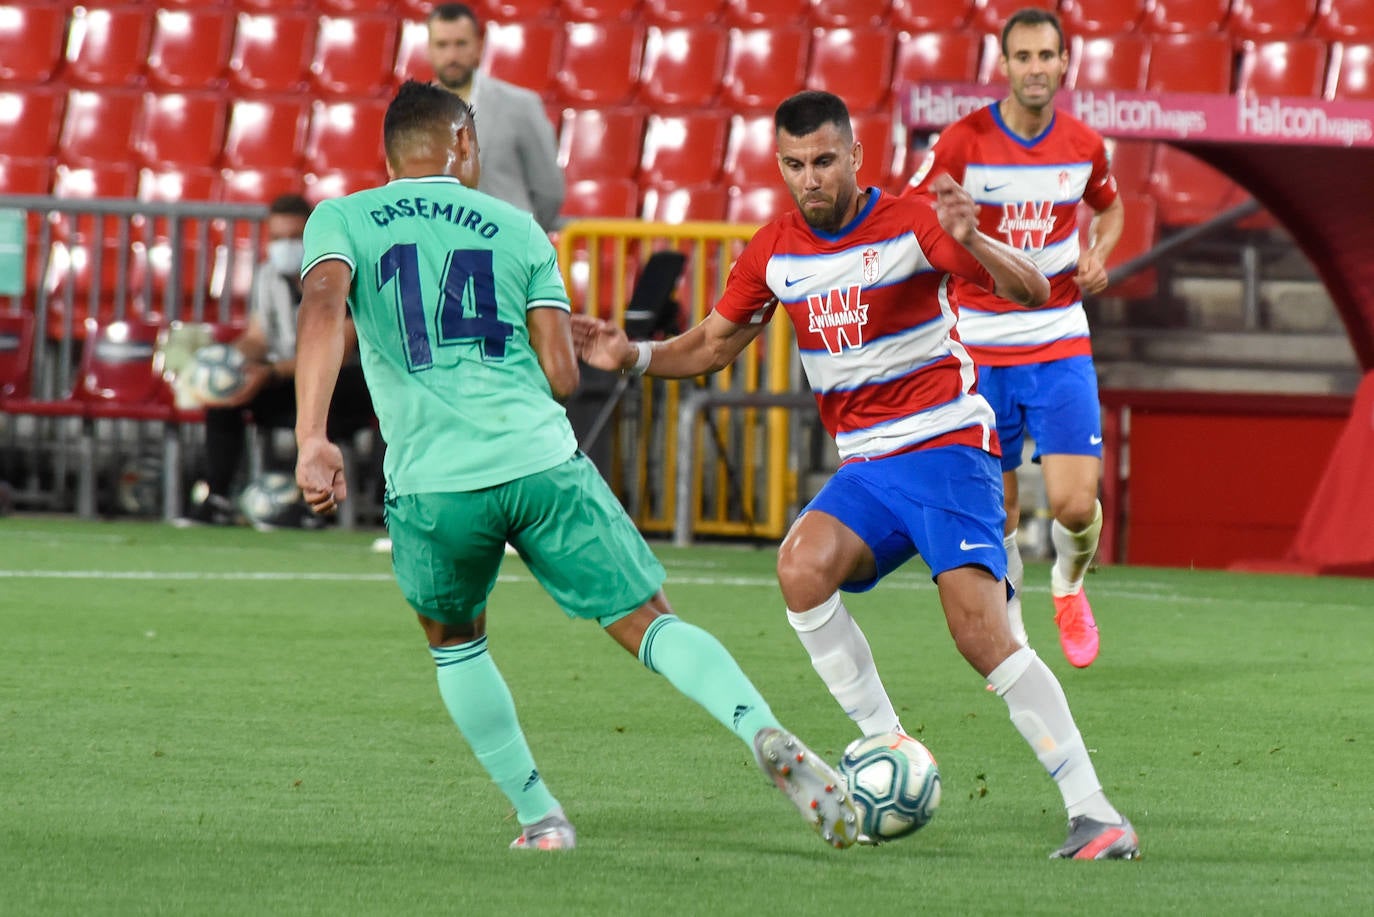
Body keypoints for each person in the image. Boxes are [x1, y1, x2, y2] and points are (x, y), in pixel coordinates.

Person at [292, 80, 858, 852]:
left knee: (456, 641)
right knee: (650, 620)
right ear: (463, 144)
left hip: (434, 481)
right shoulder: (517, 228)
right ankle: (760, 727)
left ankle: (541, 817)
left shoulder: (342, 219)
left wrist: (313, 436)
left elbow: (323, 309)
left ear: (387, 155)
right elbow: (562, 376)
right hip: (540, 461)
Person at [573, 90, 1139, 860]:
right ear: (780, 165)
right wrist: (633, 355)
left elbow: (1031, 290)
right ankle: (886, 745)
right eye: (795, 165)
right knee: (801, 567)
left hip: (946, 447)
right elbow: (710, 344)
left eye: (824, 161)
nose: (811, 178)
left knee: (982, 635)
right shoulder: (774, 250)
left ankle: (1095, 812)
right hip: (868, 466)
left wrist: (975, 237)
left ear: (855, 156)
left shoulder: (913, 221)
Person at [904, 7, 1124, 669]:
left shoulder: (1083, 145)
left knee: (1074, 505)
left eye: (1045, 56)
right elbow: (912, 211)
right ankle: (1017, 632)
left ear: (1064, 64)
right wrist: (949, 239)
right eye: (1022, 56)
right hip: (978, 345)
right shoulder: (964, 141)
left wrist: (1097, 253)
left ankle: (1069, 584)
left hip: (1058, 336)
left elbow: (1110, 207)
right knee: (997, 509)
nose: (1034, 68)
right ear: (1003, 65)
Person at [183, 194, 373, 526]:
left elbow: (339, 351)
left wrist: (270, 373)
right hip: (287, 377)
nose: (285, 246)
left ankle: (315, 505)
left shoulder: (339, 274)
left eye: (294, 237)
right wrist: (228, 362)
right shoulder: (267, 275)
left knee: (321, 394)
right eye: (277, 238)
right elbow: (258, 338)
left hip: (344, 383)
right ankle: (217, 498)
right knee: (226, 396)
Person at [425, 2, 564, 233]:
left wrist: (521, 234)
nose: (452, 55)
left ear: (479, 46)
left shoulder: (521, 105)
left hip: (510, 243)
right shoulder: (413, 113)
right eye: (442, 45)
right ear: (429, 48)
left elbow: (548, 190)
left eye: (461, 44)